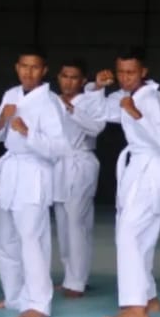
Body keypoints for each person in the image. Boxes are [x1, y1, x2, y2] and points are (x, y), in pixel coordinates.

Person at [0, 50, 70, 317]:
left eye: (35, 67)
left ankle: (38, 302)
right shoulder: (11, 95)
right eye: (24, 67)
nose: (28, 72)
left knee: (32, 240)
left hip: (33, 173)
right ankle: (14, 296)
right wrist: (3, 120)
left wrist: (28, 133)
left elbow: (60, 147)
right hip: (10, 172)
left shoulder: (50, 102)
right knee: (6, 240)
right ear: (17, 67)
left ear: (44, 70)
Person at [94, 48, 160, 317]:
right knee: (140, 236)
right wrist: (97, 88)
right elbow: (96, 113)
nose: (124, 78)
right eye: (120, 72)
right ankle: (149, 297)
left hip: (150, 168)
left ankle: (134, 307)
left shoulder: (150, 99)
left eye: (130, 72)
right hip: (139, 167)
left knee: (129, 235)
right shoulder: (126, 96)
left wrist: (136, 114)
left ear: (143, 72)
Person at [53, 58, 107, 298]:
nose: (68, 82)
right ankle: (70, 276)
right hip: (58, 164)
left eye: (74, 77)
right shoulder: (51, 101)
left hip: (81, 162)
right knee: (63, 222)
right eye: (64, 76)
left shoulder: (91, 100)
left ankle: (77, 281)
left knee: (77, 222)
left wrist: (71, 109)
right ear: (58, 78)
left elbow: (97, 128)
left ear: (83, 80)